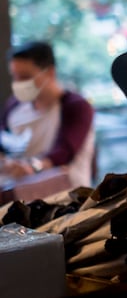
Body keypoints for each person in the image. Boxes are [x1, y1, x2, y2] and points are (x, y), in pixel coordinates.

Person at [1, 40, 96, 189]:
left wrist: (32, 167)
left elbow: (64, 152)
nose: (18, 83)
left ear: (50, 72)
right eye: (15, 76)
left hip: (67, 194)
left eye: (25, 77)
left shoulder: (75, 106)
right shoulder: (13, 106)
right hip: (20, 194)